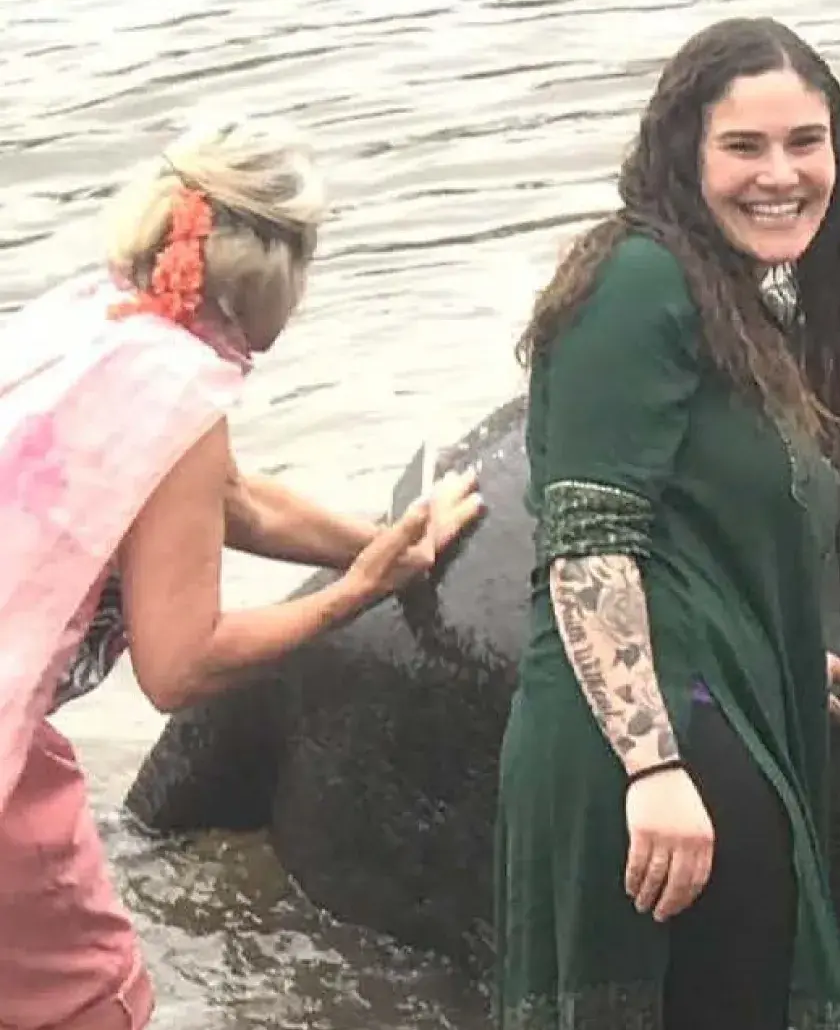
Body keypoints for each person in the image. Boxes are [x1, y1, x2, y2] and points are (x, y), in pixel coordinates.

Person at [0, 114, 486, 1030]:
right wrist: (359, 594)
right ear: (279, 273)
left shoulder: (96, 321)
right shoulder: (179, 390)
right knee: (93, 994)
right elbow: (180, 668)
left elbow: (229, 500)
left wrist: (386, 540)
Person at [494, 17, 840, 1030]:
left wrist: (777, 653)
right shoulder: (638, 282)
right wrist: (653, 767)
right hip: (649, 744)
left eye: (805, 142)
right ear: (683, 154)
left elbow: (695, 527)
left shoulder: (732, 302)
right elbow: (588, 542)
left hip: (707, 699)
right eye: (743, 146)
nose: (780, 174)